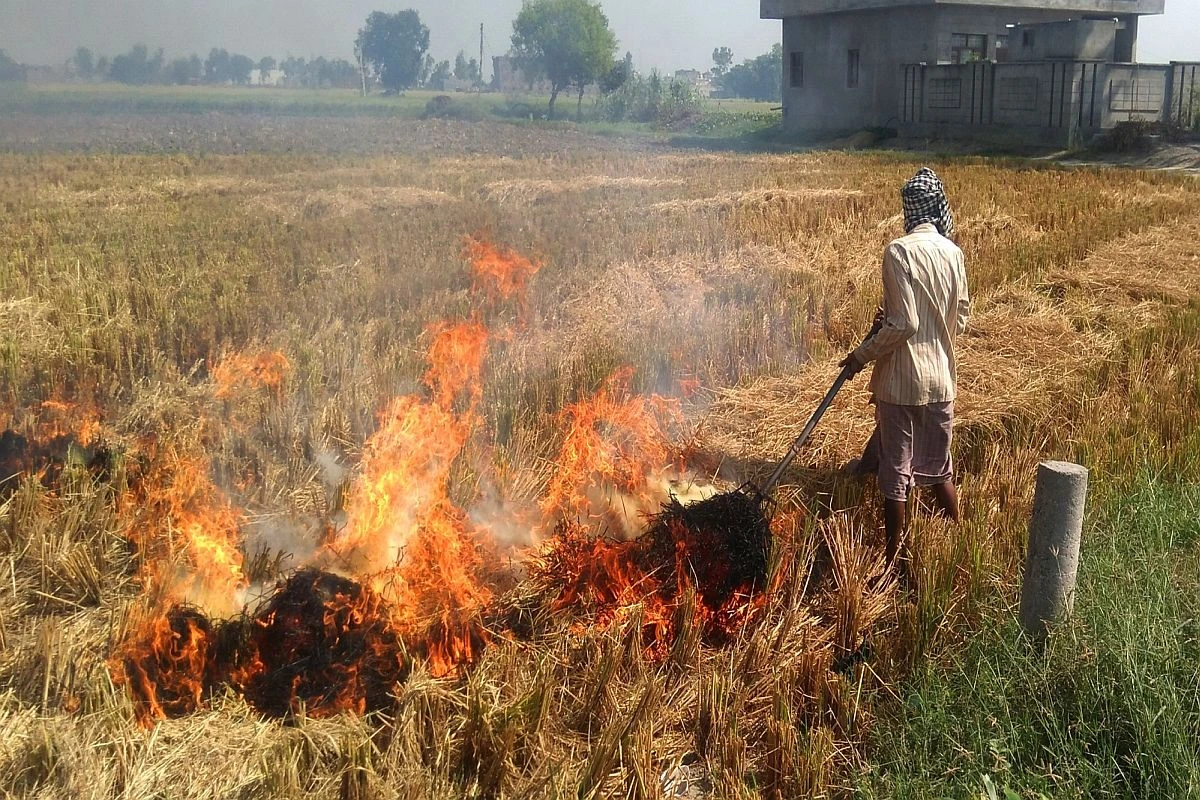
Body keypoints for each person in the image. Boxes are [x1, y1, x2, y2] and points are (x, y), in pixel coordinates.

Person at [839, 168, 970, 567]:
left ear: (909, 211)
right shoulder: (954, 252)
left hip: (902, 382)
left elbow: (905, 323)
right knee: (939, 469)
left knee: (897, 472)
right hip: (941, 381)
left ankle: (893, 555)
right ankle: (961, 537)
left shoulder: (899, 251)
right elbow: (960, 319)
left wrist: (860, 355)